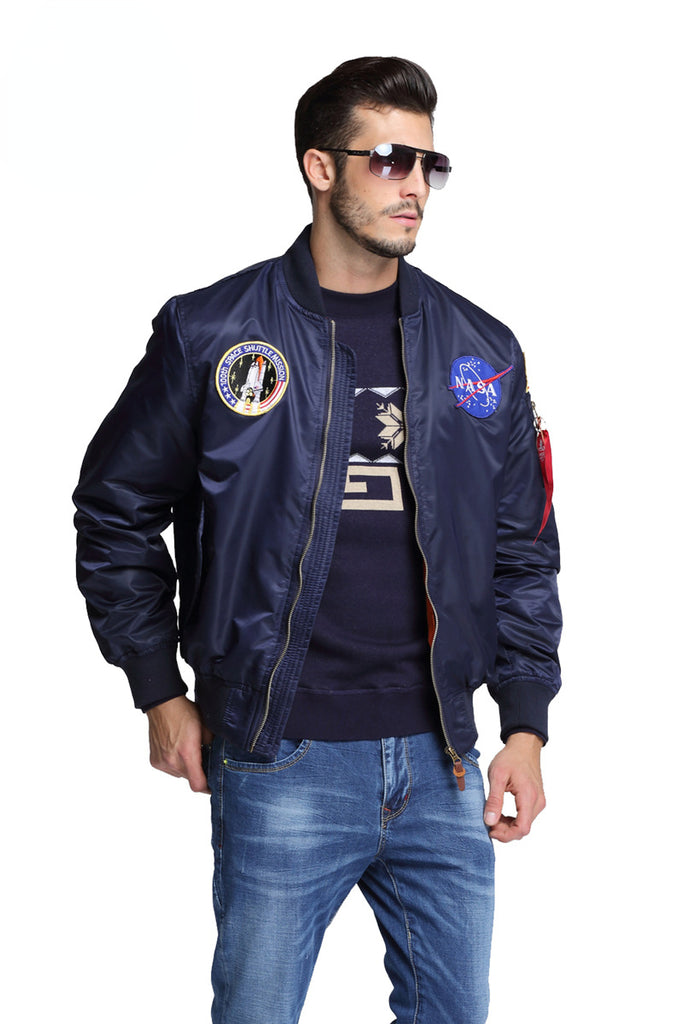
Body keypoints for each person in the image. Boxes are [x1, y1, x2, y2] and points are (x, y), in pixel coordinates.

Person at [74, 56, 561, 1024]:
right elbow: (114, 509)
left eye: (427, 163)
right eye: (388, 159)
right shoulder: (213, 331)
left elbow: (521, 550)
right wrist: (158, 690)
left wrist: (524, 723)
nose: (414, 185)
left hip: (443, 760)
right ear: (319, 167)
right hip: (279, 752)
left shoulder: (480, 349)